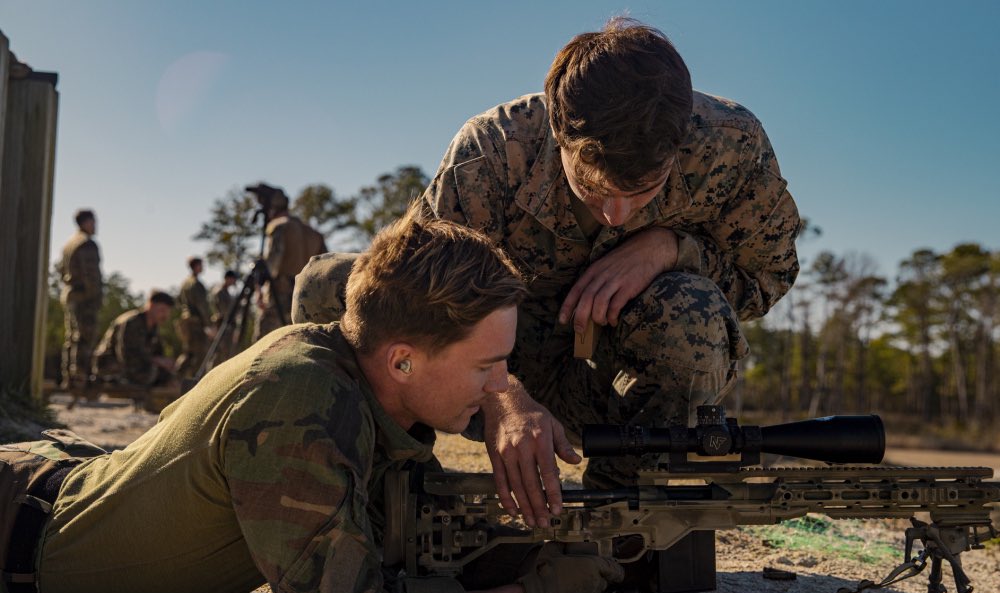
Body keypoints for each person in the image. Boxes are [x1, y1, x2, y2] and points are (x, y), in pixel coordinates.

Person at [0, 207, 623, 593]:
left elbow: (400, 523)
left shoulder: (359, 378)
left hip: (56, 482)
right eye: (486, 366)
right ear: (402, 361)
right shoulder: (301, 402)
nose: (501, 388)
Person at [293, 17, 802, 530]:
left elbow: (767, 275)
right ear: (558, 135)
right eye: (595, 190)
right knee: (327, 289)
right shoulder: (493, 149)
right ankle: (383, 487)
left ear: (680, 142)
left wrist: (672, 248)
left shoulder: (730, 147)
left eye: (644, 191)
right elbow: (417, 295)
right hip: (480, 379)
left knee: (694, 314)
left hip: (616, 397)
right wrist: (502, 394)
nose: (617, 217)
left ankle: (623, 521)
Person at [255, 186, 327, 340]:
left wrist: (259, 288)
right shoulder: (313, 233)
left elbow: (271, 266)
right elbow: (325, 268)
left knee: (264, 344)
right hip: (307, 300)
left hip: (279, 296)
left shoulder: (279, 226)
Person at [56, 209, 103, 390]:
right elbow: (92, 275)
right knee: (84, 338)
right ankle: (79, 379)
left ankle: (69, 377)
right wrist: (95, 297)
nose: (95, 225)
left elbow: (61, 270)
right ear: (85, 222)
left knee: (72, 338)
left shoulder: (69, 244)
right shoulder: (87, 244)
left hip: (71, 294)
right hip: (85, 298)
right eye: (93, 221)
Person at [91, 290, 176, 387]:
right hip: (109, 365)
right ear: (151, 305)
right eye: (162, 310)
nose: (165, 315)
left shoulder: (153, 327)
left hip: (132, 366)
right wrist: (156, 361)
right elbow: (127, 354)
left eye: (167, 312)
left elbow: (158, 353)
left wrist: (166, 363)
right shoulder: (132, 322)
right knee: (149, 373)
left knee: (167, 375)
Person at [175, 256, 213, 379]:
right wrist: (208, 325)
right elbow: (202, 307)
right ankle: (195, 382)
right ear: (196, 266)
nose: (203, 267)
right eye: (201, 265)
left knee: (188, 352)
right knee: (200, 355)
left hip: (186, 322)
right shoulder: (196, 284)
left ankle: (177, 376)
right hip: (196, 324)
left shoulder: (184, 283)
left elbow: (179, 301)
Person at [210, 269, 239, 362]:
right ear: (228, 278)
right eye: (233, 279)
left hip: (225, 324)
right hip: (222, 324)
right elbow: (225, 310)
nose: (234, 281)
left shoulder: (225, 291)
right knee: (220, 353)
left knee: (226, 353)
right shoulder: (220, 291)